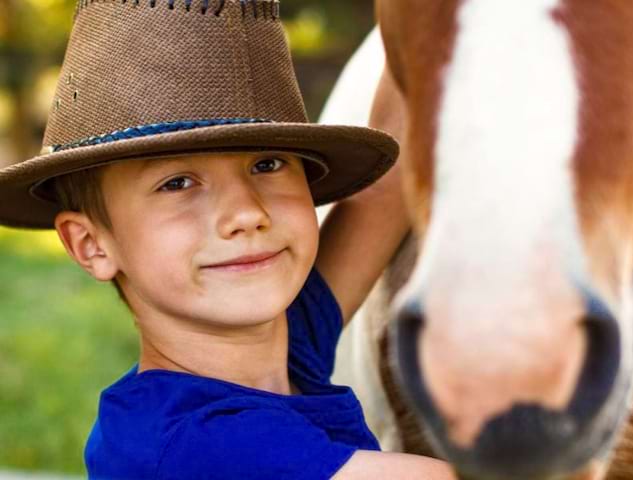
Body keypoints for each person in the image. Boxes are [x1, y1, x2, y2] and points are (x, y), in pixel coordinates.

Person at [0, 1, 454, 478]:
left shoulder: (281, 349)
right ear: (91, 243)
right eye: (177, 183)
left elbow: (380, 197)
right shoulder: (195, 444)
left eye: (267, 164)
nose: (246, 213)